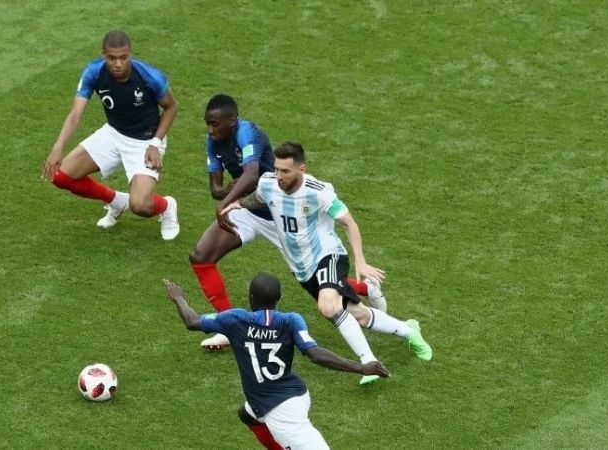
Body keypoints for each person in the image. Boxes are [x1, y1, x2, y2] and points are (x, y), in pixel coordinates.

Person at [220, 141, 432, 385]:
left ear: (302, 169)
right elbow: (256, 199)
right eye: (277, 169)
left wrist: (361, 262)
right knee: (358, 315)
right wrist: (235, 204)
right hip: (302, 267)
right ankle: (409, 331)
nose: (279, 176)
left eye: (285, 171)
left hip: (328, 255)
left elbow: (349, 223)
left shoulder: (319, 192)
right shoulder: (268, 183)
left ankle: (368, 362)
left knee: (328, 307)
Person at [190, 95, 387, 352]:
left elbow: (250, 176)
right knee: (201, 256)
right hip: (249, 208)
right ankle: (230, 327)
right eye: (208, 124)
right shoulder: (213, 142)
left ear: (232, 120)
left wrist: (225, 200)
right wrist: (226, 197)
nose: (210, 130)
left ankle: (366, 286)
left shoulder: (249, 133)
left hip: (281, 215)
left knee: (311, 276)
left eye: (215, 124)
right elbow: (215, 188)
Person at [163, 274, 389, 450]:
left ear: (251, 298)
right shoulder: (290, 320)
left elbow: (192, 321)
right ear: (278, 299)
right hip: (287, 394)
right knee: (247, 414)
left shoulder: (234, 320)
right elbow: (315, 354)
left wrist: (178, 297)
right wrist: (360, 366)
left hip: (281, 411)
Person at [41, 30, 180, 240]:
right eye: (112, 58)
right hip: (113, 133)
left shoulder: (150, 77)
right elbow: (75, 114)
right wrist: (57, 147)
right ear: (104, 55)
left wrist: (155, 143)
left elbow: (171, 107)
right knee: (61, 176)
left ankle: (167, 206)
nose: (118, 64)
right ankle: (117, 201)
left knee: (140, 205)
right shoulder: (93, 72)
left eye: (123, 58)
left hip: (145, 141)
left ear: (130, 53)